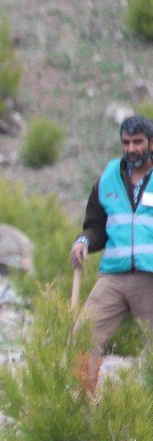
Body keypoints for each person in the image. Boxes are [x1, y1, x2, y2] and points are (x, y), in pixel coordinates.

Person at [70, 115, 153, 385]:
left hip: (150, 277)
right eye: (126, 143)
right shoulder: (106, 179)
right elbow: (96, 226)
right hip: (114, 278)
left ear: (150, 143)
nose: (131, 149)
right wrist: (83, 241)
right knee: (83, 337)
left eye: (137, 142)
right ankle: (80, 407)